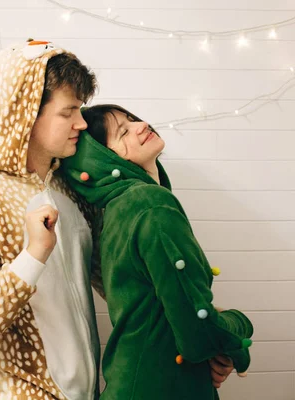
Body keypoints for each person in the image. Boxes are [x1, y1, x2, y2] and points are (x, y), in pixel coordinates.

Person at [0, 40, 102, 399]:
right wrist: (33, 255)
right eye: (67, 112)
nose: (81, 123)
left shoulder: (71, 190)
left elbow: (117, 281)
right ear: (24, 113)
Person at [61, 104, 254, 400]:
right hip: (159, 386)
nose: (141, 126)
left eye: (133, 119)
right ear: (104, 158)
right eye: (123, 132)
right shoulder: (149, 203)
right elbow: (196, 337)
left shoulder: (120, 208)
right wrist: (240, 327)